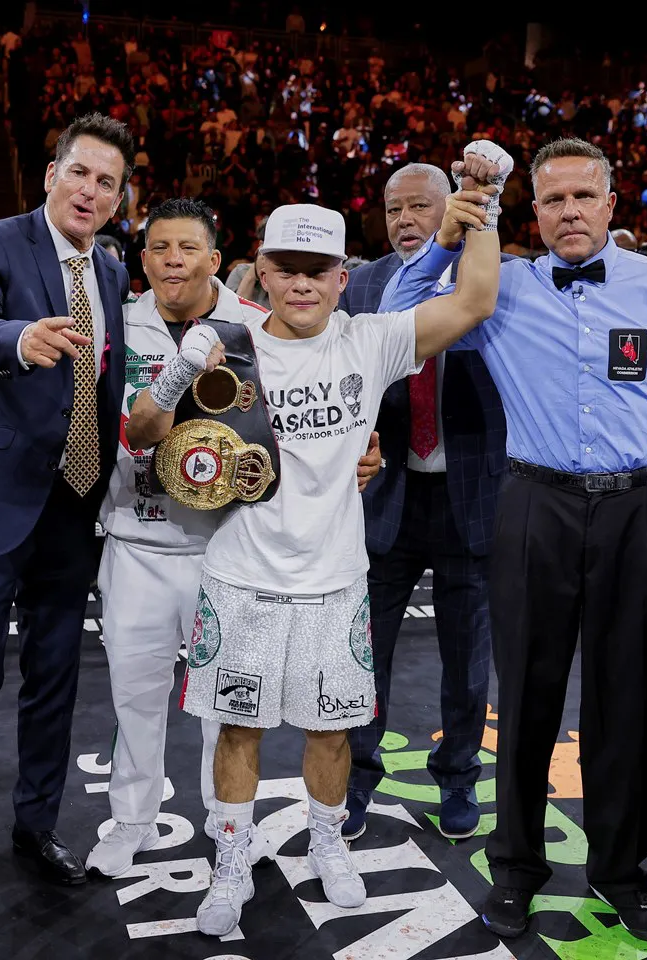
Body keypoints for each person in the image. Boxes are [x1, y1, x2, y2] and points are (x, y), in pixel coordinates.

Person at [127, 141, 508, 938]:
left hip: (336, 579)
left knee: (333, 729)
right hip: (241, 577)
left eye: (319, 268)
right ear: (261, 270)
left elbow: (473, 301)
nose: (302, 282)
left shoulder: (369, 341)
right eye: (286, 266)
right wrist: (171, 375)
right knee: (237, 730)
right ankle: (230, 862)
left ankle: (330, 844)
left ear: (344, 275)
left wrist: (484, 200)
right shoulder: (223, 347)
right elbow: (142, 436)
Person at [387, 137, 647, 943]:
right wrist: (448, 236)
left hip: (640, 510)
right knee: (522, 696)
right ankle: (514, 869)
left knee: (630, 701)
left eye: (585, 197)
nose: (570, 212)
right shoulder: (500, 287)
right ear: (534, 211)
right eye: (553, 200)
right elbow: (394, 319)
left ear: (612, 206)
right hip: (533, 504)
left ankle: (622, 875)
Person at [87, 197, 382, 877]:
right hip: (136, 537)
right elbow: (114, 425)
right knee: (134, 695)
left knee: (230, 716)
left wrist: (366, 454)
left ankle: (230, 835)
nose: (172, 261)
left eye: (187, 248)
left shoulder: (258, 328)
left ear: (216, 259)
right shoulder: (119, 326)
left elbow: (326, 416)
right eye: (159, 248)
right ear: (142, 258)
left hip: (231, 548)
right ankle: (131, 819)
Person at [0, 113, 132, 900]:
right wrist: (19, 339)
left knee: (55, 680)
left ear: (118, 199)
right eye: (80, 172)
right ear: (52, 174)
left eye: (107, 182)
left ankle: (36, 822)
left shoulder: (111, 270)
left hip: (72, 503)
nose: (90, 190)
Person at [338, 162, 507, 840]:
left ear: (454, 206)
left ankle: (460, 779)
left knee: (468, 663)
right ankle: (351, 781)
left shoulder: (491, 277)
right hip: (387, 496)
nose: (405, 220)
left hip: (472, 497)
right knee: (361, 656)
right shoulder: (368, 284)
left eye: (419, 207)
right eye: (393, 209)